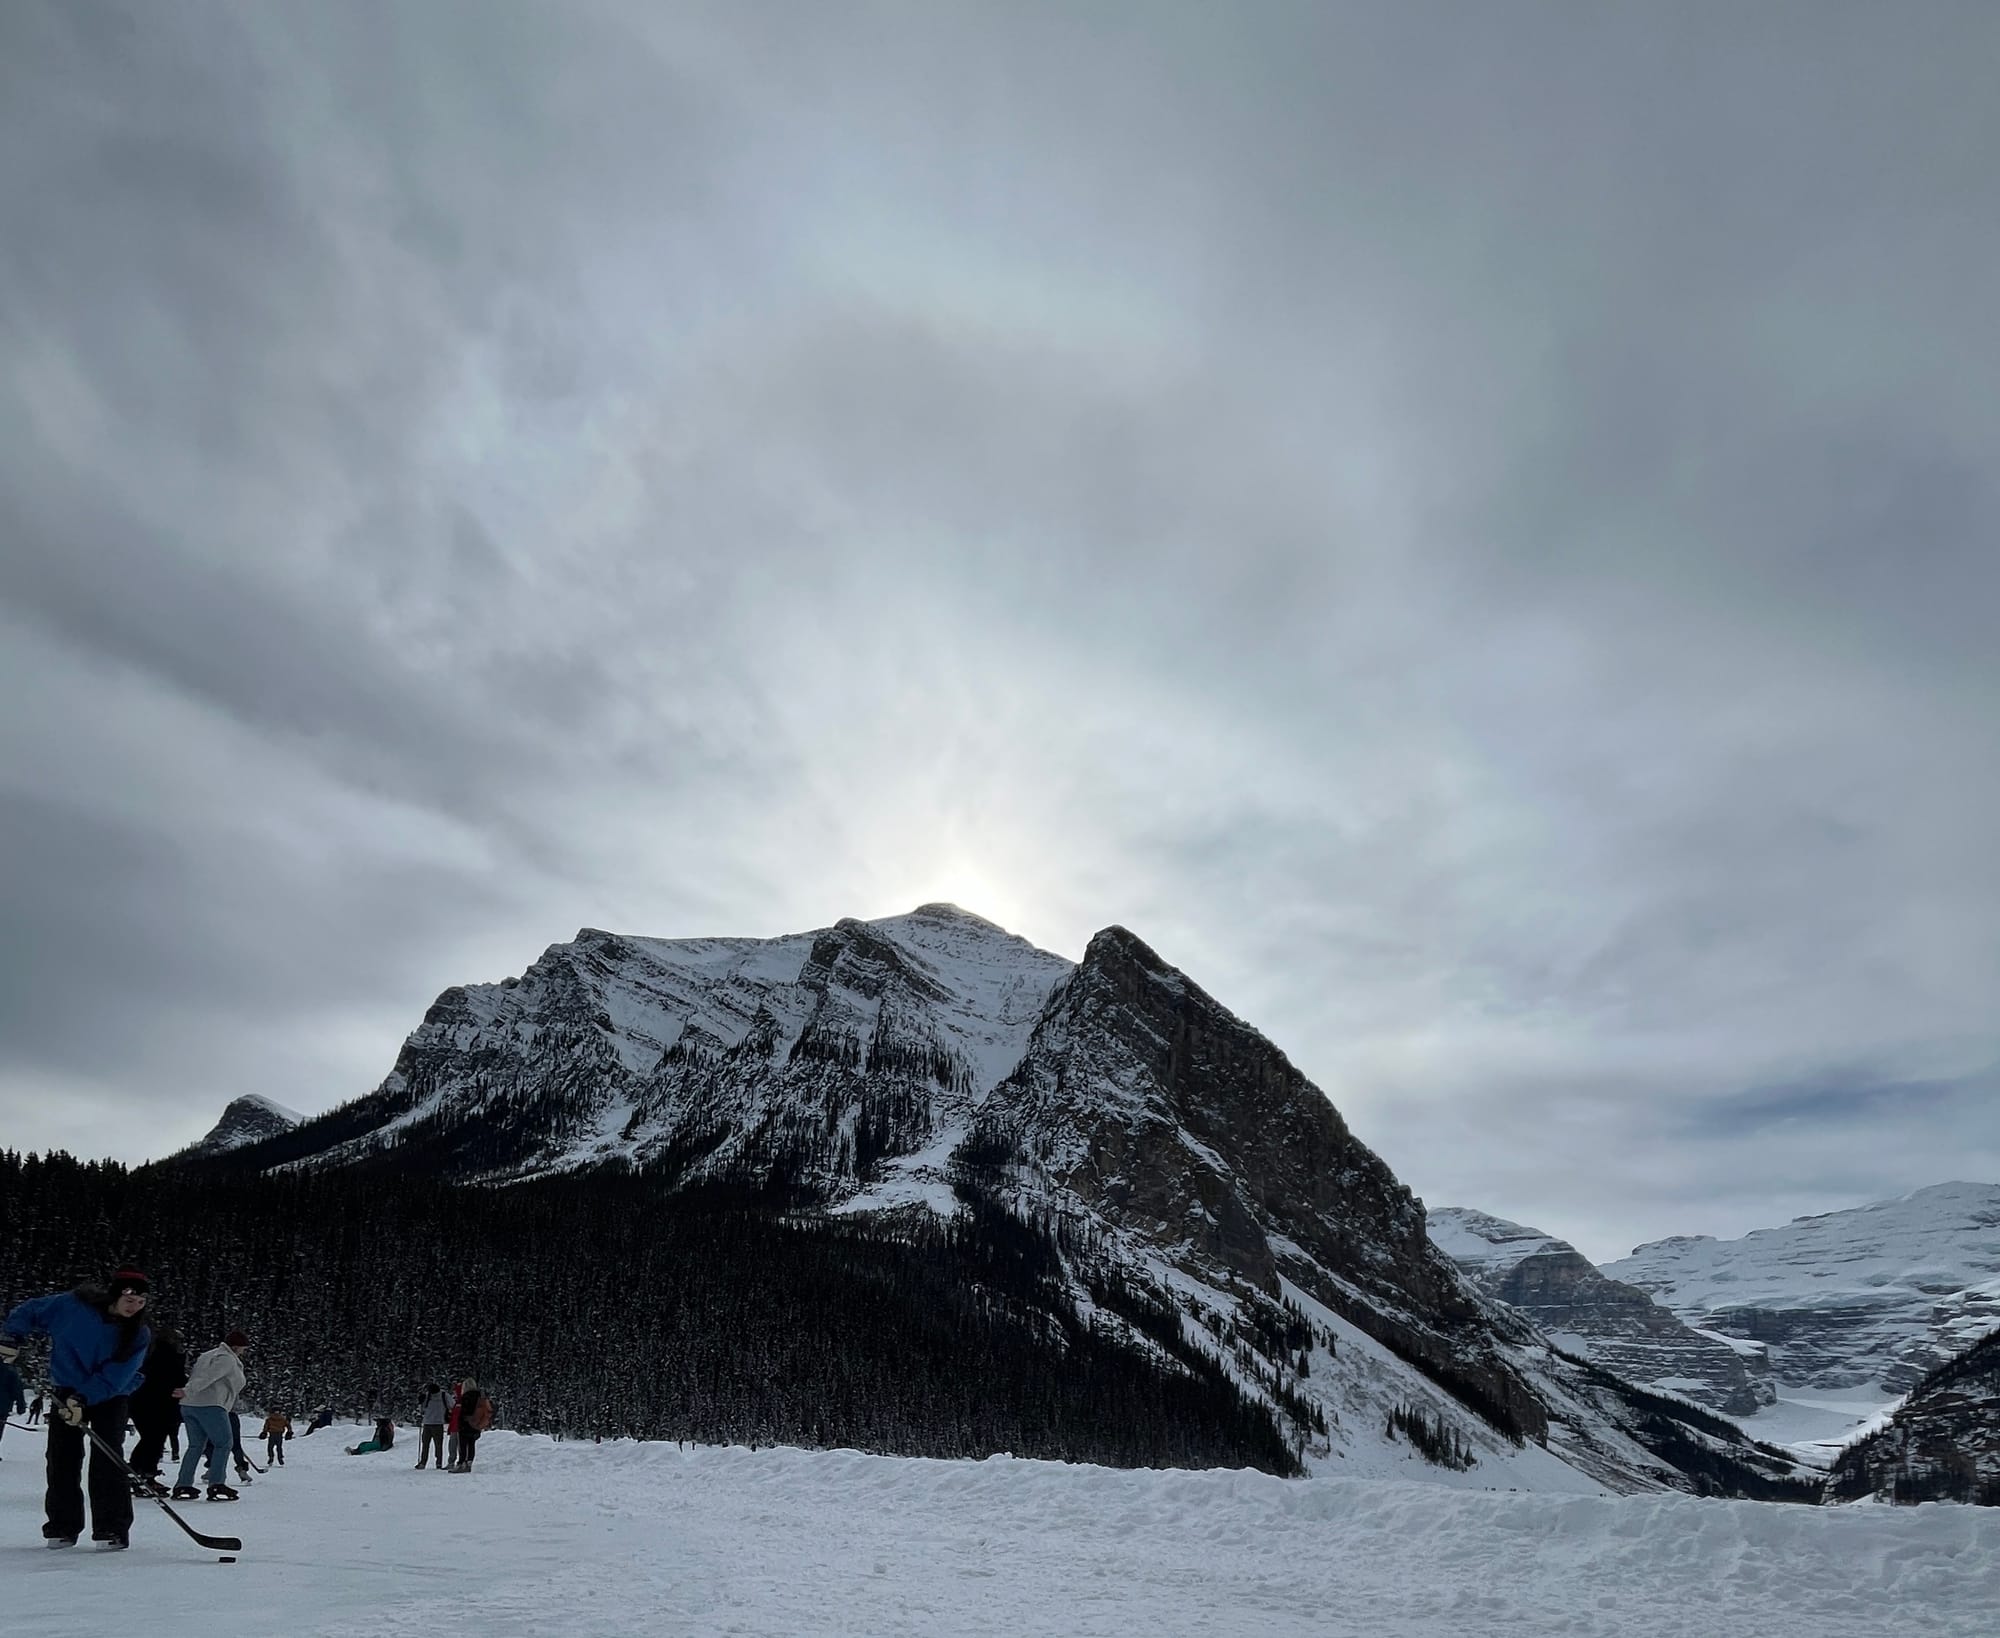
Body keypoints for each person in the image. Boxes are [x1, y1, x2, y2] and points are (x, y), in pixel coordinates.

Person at [0, 1269, 152, 1549]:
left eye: (141, 1302)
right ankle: (62, 1525)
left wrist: (82, 1400)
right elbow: (30, 1311)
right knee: (61, 1458)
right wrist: (12, 1337)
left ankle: (111, 1529)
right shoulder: (71, 1306)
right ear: (116, 1293)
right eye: (130, 1298)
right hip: (67, 1388)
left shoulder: (137, 1334)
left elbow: (116, 1377)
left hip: (110, 1395)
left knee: (107, 1458)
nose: (134, 1307)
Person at [171, 1330, 249, 1503]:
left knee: (195, 1446)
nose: (243, 1352)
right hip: (210, 1405)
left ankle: (183, 1484)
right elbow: (209, 1377)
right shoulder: (226, 1359)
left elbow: (197, 1375)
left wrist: (187, 1393)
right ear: (235, 1347)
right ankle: (217, 1483)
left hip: (189, 1405)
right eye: (243, 1348)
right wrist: (187, 1390)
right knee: (224, 1443)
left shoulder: (207, 1355)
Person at [128, 1324, 189, 1490]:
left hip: (142, 1401)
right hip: (157, 1403)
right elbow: (170, 1379)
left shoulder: (150, 1354)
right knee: (154, 1439)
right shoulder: (166, 1356)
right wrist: (184, 1387)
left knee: (150, 1439)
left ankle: (136, 1471)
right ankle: (146, 1474)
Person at [451, 1378, 490, 1472]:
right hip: (476, 1424)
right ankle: (469, 1463)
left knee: (463, 1445)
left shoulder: (466, 1397)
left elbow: (464, 1411)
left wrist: (460, 1421)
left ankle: (461, 1463)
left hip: (465, 1424)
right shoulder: (480, 1396)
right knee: (471, 1444)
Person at [415, 1383, 449, 1469]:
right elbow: (452, 1405)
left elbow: (422, 1409)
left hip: (429, 1422)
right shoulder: (444, 1395)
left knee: (426, 1444)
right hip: (435, 1423)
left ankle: (423, 1462)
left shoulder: (431, 1395)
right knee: (438, 1444)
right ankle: (438, 1463)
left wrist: (420, 1402)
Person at [444, 1378, 463, 1470]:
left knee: (459, 1446)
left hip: (459, 1428)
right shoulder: (456, 1403)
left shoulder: (462, 1403)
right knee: (452, 1446)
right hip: (454, 1428)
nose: (454, 1394)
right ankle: (451, 1462)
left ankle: (460, 1462)